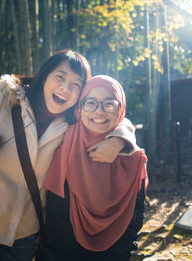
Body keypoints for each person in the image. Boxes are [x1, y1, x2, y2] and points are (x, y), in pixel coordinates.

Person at [0, 50, 137, 261]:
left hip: (24, 234)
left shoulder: (72, 124)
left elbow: (115, 116)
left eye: (75, 85)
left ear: (80, 95)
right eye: (59, 77)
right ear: (44, 78)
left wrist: (118, 140)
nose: (65, 88)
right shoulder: (7, 100)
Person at [38, 75, 149, 261]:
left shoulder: (133, 158)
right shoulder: (63, 146)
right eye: (91, 103)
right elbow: (56, 227)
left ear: (120, 109)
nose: (99, 112)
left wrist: (120, 140)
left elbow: (134, 220)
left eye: (109, 104)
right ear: (79, 108)